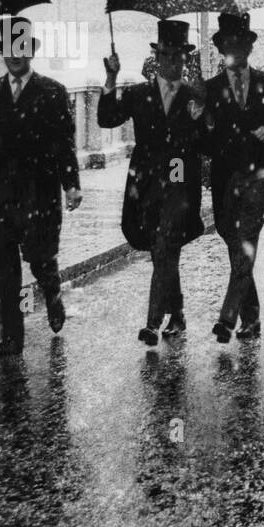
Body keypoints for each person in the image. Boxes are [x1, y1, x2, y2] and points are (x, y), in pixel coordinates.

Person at [0, 16, 82, 357]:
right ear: (2, 51)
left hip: (38, 195)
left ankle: (52, 294)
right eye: (10, 47)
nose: (15, 54)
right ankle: (12, 336)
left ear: (32, 50)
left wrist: (71, 184)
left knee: (40, 260)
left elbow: (63, 142)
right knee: (5, 273)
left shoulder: (53, 92)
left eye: (22, 46)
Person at [98, 20, 206, 346]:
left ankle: (152, 324)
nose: (174, 62)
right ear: (157, 57)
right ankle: (178, 313)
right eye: (168, 55)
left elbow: (206, 141)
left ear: (186, 60)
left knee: (164, 242)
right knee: (162, 251)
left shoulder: (193, 96)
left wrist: (202, 115)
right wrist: (111, 77)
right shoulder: (138, 94)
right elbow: (106, 118)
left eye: (179, 57)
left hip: (178, 178)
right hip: (145, 184)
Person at [199, 12, 264, 344]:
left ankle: (228, 317)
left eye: (240, 43)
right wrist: (200, 123)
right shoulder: (209, 90)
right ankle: (252, 316)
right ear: (221, 48)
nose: (234, 50)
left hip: (262, 176)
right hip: (225, 181)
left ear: (250, 47)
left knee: (247, 236)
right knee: (235, 244)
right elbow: (203, 145)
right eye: (228, 44)